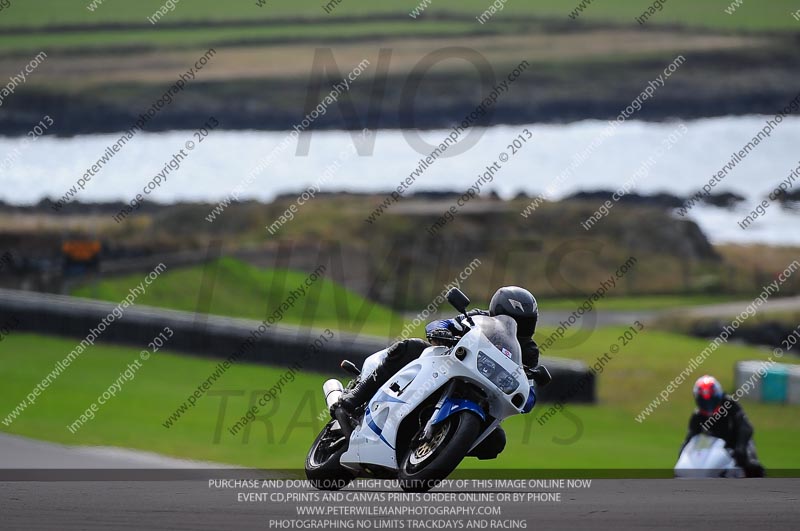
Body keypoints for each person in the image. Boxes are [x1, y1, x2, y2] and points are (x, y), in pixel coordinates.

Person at [331, 286, 542, 460]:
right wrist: (439, 331)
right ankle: (353, 397)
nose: (519, 327)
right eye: (514, 320)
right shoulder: (479, 319)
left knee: (496, 441)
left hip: (484, 393)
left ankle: (441, 446)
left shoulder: (529, 352)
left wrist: (527, 395)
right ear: (496, 312)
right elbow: (443, 323)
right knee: (410, 347)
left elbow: (529, 387)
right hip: (448, 368)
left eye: (525, 322)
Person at [679, 375, 765, 477]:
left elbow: (745, 427)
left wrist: (740, 447)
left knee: (748, 462)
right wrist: (682, 456)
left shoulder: (730, 405)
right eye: (704, 401)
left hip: (735, 443)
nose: (708, 405)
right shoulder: (697, 416)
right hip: (716, 450)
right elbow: (690, 438)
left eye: (712, 400)